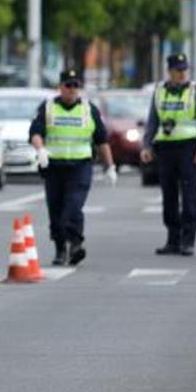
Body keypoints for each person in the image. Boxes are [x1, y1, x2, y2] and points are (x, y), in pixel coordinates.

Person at [29, 69, 116, 266]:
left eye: (76, 85)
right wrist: (40, 149)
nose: (72, 90)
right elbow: (35, 132)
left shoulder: (88, 109)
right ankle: (60, 249)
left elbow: (102, 140)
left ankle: (75, 245)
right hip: (54, 166)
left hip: (80, 166)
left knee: (73, 206)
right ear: (60, 87)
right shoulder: (48, 107)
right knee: (56, 209)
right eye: (68, 85)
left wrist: (110, 166)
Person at [141, 52, 196, 256]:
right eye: (178, 70)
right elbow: (153, 120)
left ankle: (188, 240)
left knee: (189, 197)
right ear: (169, 71)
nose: (182, 74)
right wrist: (147, 146)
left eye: (184, 70)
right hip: (165, 150)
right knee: (169, 197)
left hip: (189, 149)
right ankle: (173, 239)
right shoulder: (159, 91)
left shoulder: (195, 91)